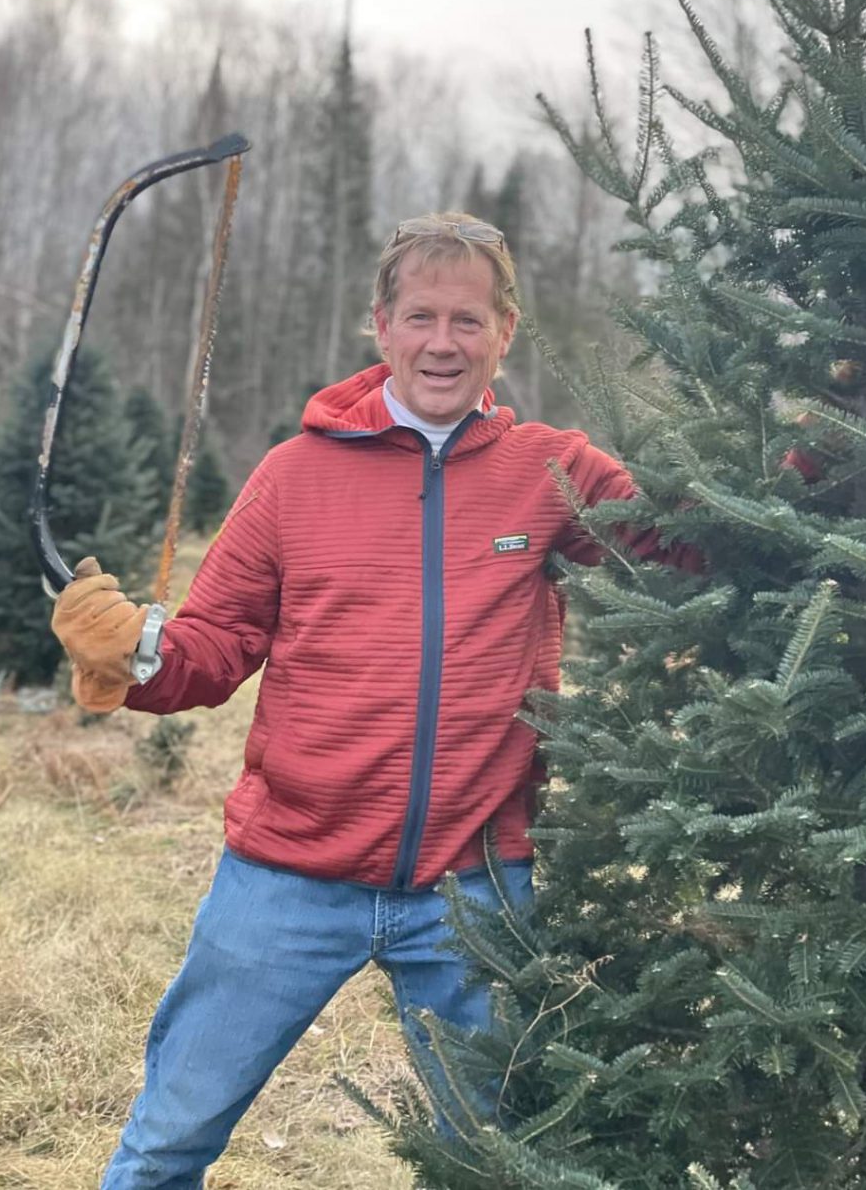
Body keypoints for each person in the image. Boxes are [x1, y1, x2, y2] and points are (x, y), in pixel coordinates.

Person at [51, 212, 699, 1189]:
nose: (444, 342)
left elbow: (685, 537)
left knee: (492, 1161)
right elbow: (212, 652)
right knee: (167, 1142)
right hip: (287, 878)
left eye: (468, 320)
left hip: (475, 889)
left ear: (505, 332)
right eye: (422, 317)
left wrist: (827, 449)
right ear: (382, 325)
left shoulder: (550, 471)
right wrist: (131, 655)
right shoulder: (292, 477)